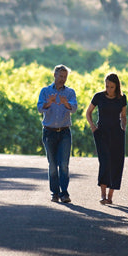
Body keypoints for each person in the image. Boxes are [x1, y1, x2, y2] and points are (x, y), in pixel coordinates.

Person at [37, 64, 77, 203]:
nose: (63, 79)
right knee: (53, 165)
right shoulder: (45, 91)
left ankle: (64, 193)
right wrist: (49, 102)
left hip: (64, 132)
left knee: (64, 164)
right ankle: (55, 193)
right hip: (49, 132)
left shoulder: (70, 92)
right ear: (54, 75)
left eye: (65, 77)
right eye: (60, 76)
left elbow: (74, 109)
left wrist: (66, 103)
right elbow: (40, 109)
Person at [86, 72, 128, 205]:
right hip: (101, 133)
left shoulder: (122, 98)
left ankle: (110, 196)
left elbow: (123, 115)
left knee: (117, 162)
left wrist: (124, 126)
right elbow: (88, 112)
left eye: (111, 87)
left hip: (117, 133)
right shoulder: (98, 97)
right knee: (104, 162)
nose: (109, 89)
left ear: (117, 86)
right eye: (107, 86)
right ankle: (103, 195)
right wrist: (92, 126)